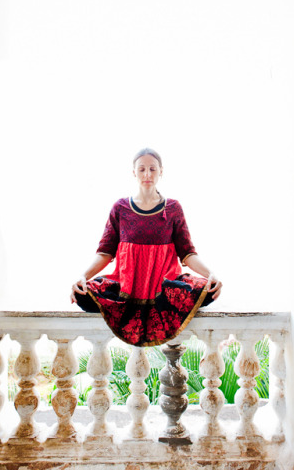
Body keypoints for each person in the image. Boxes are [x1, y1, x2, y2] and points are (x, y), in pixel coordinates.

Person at [71, 148, 222, 347]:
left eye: (152, 169)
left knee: (210, 290)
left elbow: (187, 253)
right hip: (127, 286)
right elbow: (105, 252)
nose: (147, 174)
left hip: (163, 286)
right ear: (134, 172)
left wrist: (211, 274)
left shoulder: (173, 208)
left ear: (161, 171)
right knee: (83, 296)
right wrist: (83, 276)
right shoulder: (120, 208)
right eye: (142, 169)